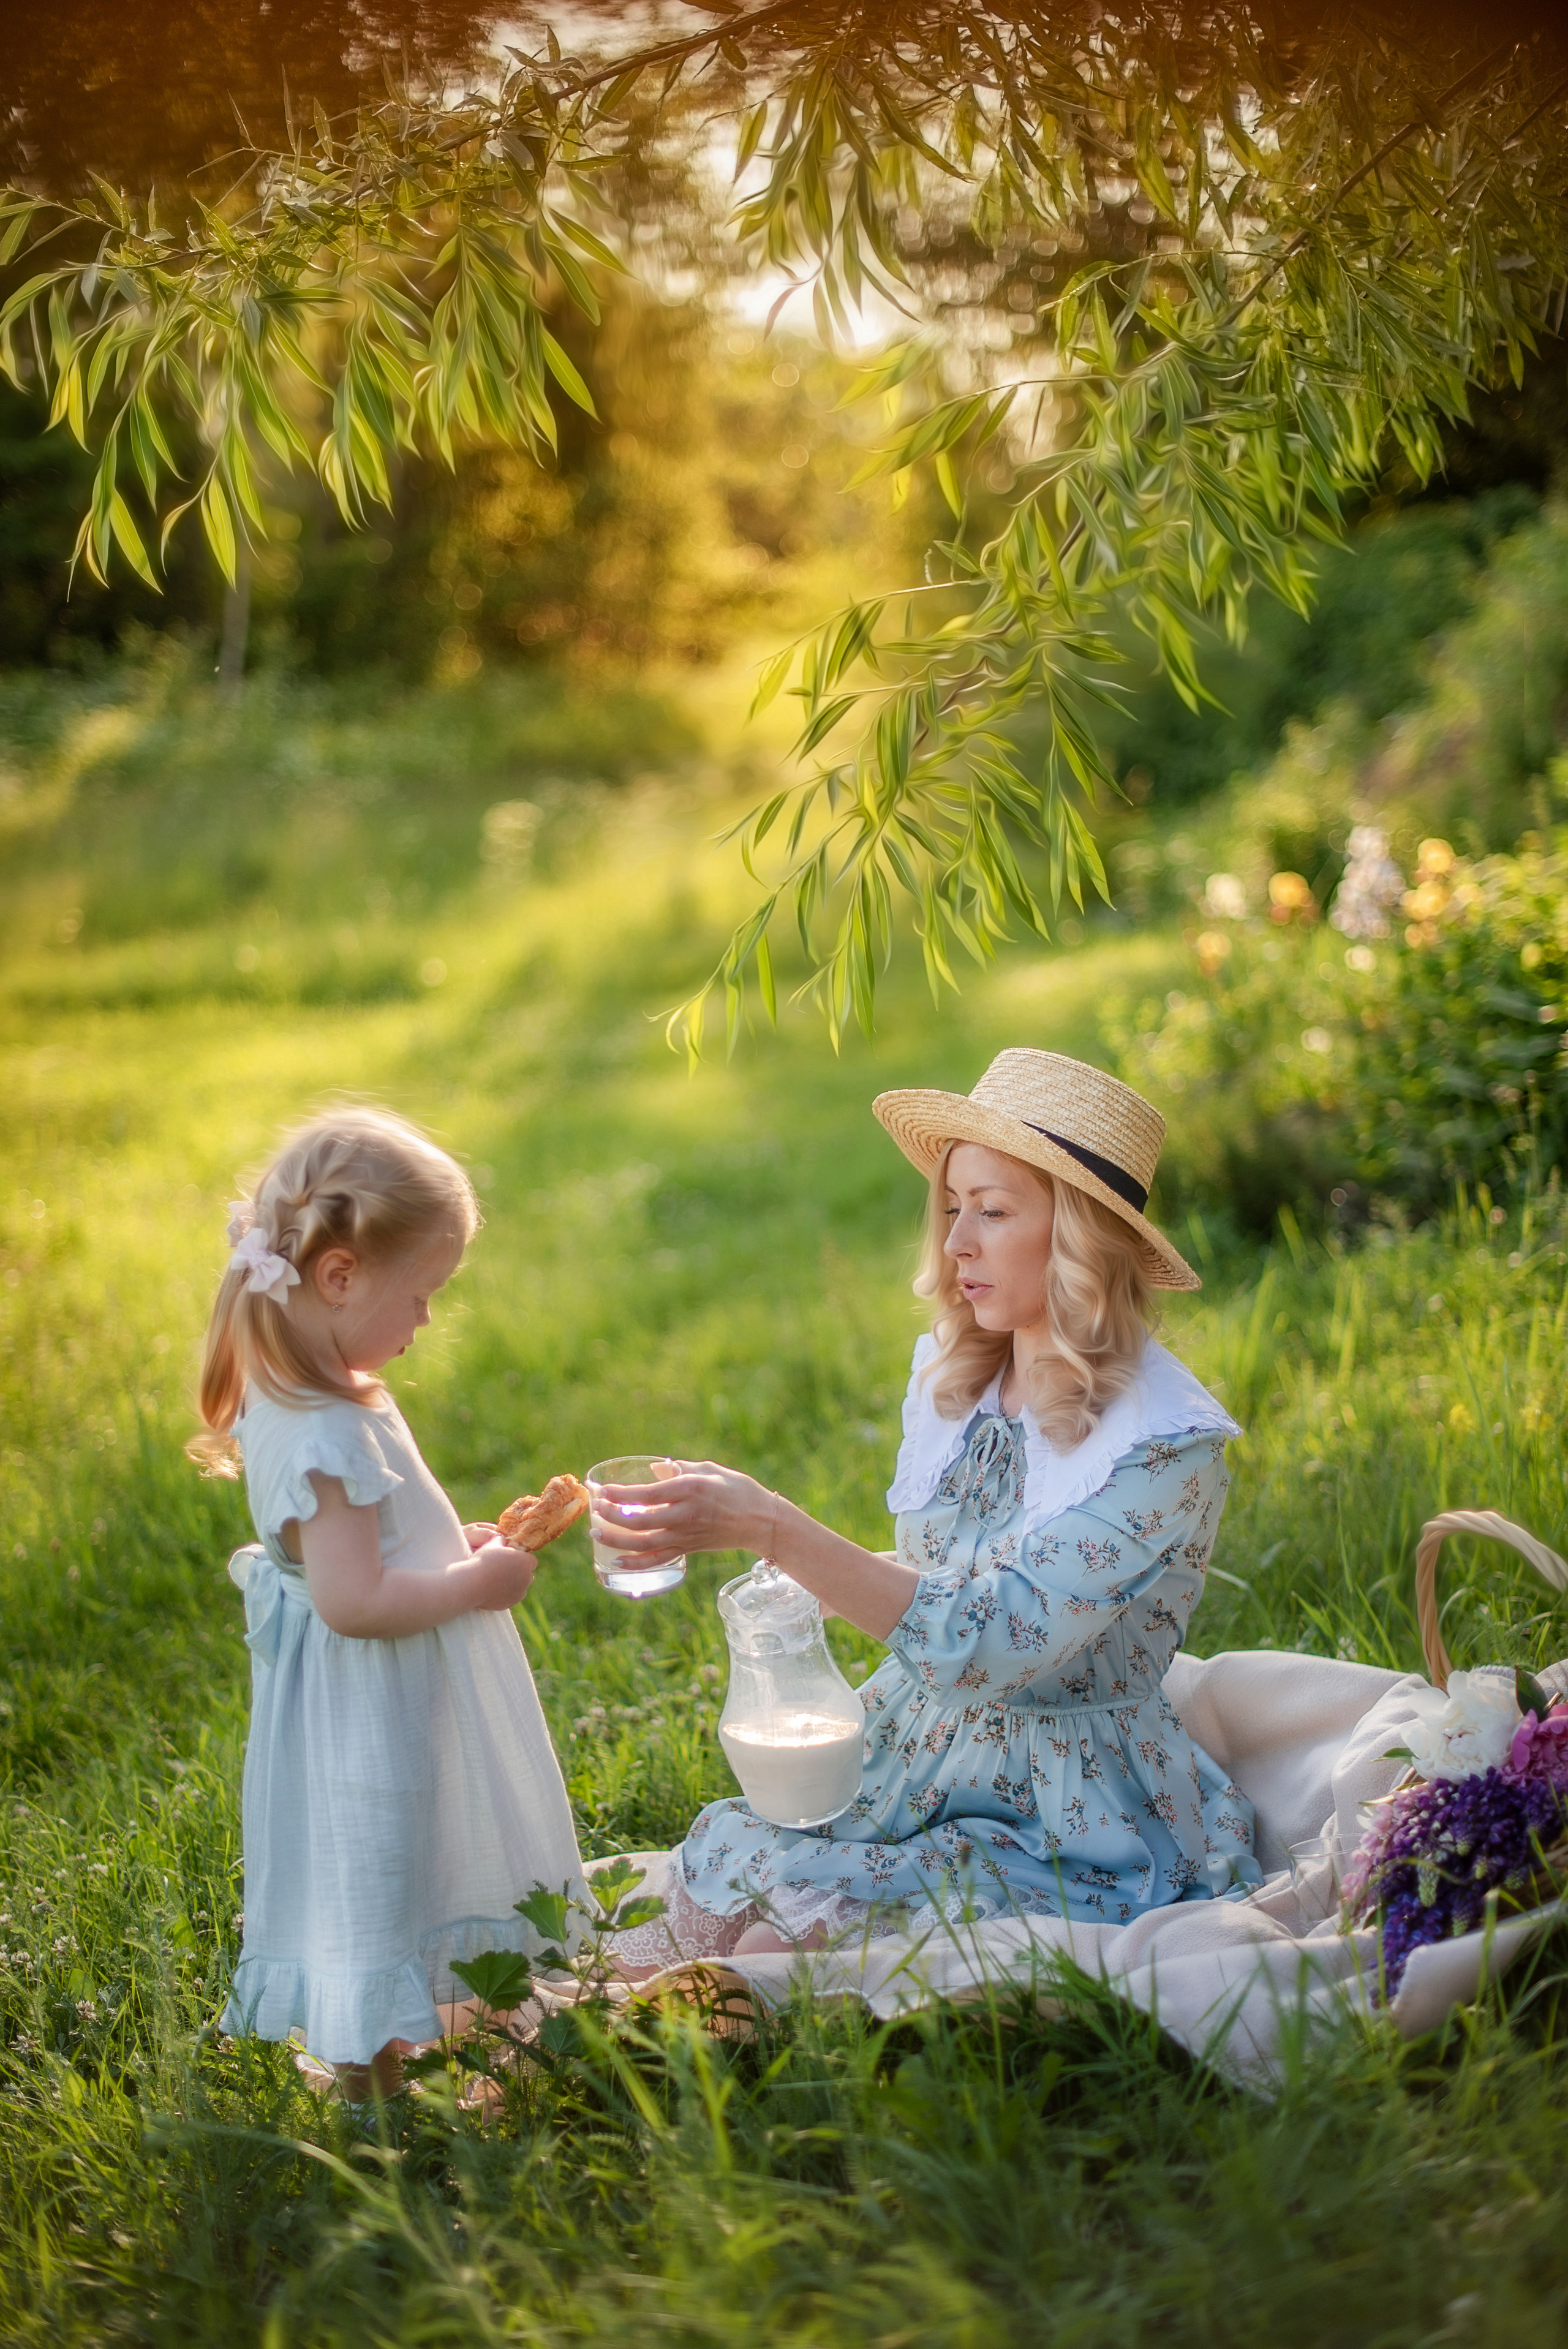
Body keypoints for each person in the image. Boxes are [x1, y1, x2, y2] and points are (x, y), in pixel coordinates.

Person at [597, 1048, 1254, 1964]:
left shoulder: (1163, 1446)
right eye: (952, 1208)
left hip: (1066, 1806)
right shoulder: (972, 1380)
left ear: (1079, 1237)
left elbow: (994, 1641)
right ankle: (485, 2045)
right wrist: (828, 1578)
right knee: (714, 1909)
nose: (955, 1245)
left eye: (991, 1211)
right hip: (914, 1754)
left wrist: (775, 1526)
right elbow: (959, 1575)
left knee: (776, 1945)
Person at [192, 1108, 583, 2103]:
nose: (425, 1320)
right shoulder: (321, 1432)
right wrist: (476, 1586)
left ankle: (394, 2045)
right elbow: (355, 1597)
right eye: (421, 1295)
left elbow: (384, 1545)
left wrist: (465, 1546)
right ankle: (368, 2081)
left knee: (405, 1858)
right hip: (368, 1698)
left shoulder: (327, 1389)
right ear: (338, 1277)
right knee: (379, 1863)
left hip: (380, 1685)